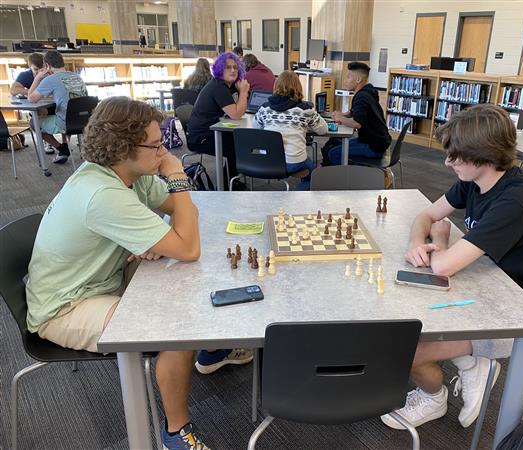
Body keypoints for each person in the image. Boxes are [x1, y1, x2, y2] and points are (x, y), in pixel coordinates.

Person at [25, 97, 211, 450]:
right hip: (66, 306)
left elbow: (181, 210)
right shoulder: (102, 192)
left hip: (104, 278)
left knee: (189, 280)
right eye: (156, 146)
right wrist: (175, 175)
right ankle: (175, 432)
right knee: (178, 329)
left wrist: (159, 235)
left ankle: (213, 348)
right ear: (123, 147)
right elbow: (188, 244)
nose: (164, 152)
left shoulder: (129, 174)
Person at [380, 104, 523, 432]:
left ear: (486, 156)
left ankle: (435, 397)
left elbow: (443, 266)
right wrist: (416, 243)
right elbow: (425, 215)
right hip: (492, 288)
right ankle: (473, 361)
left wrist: (438, 238)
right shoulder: (474, 180)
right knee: (406, 314)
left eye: (456, 156)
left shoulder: (515, 203)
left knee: (402, 350)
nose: (447, 162)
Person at [253, 70, 327, 190]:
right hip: (294, 162)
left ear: (276, 86)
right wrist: (303, 125)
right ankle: (295, 198)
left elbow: (255, 128)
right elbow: (323, 130)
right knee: (313, 175)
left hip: (267, 160)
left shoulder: (265, 108)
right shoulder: (306, 110)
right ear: (298, 87)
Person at [186, 51, 249, 190]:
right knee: (237, 147)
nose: (233, 70)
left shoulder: (225, 86)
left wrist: (240, 93)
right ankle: (228, 185)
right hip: (200, 138)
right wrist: (243, 92)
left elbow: (239, 109)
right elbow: (237, 114)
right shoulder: (218, 87)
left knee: (238, 143)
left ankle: (231, 181)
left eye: (235, 67)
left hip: (210, 130)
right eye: (228, 67)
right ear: (220, 69)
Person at [321, 62, 391, 166]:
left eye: (348, 77)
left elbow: (356, 123)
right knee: (334, 141)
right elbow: (355, 112)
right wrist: (343, 115)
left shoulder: (361, 97)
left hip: (373, 146)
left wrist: (340, 118)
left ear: (358, 80)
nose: (345, 81)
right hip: (377, 141)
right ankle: (334, 169)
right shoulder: (368, 91)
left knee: (333, 153)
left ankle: (346, 176)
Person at [28, 50, 87, 164]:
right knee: (60, 111)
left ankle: (61, 148)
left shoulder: (50, 79)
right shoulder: (77, 77)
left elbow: (31, 98)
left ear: (47, 66)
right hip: (83, 120)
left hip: (66, 122)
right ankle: (64, 146)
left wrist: (38, 77)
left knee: (33, 122)